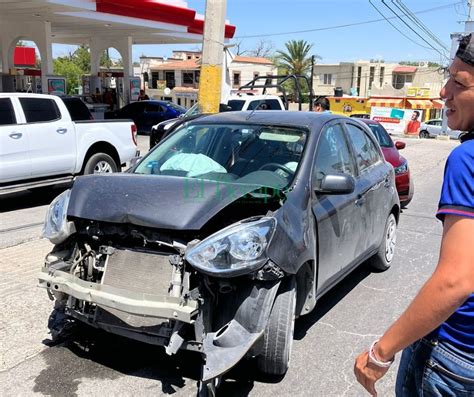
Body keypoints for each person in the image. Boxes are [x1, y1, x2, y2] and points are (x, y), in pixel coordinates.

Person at [354, 33, 474, 396]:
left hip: (456, 360)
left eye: (459, 82)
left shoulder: (466, 160)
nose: (443, 93)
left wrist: (379, 353)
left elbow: (456, 280)